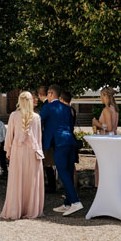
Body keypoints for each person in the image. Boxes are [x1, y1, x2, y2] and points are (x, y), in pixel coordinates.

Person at [0, 92, 44, 219]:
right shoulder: (36, 117)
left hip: (18, 151)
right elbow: (39, 138)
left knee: (17, 180)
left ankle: (16, 209)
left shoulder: (14, 115)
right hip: (32, 151)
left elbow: (9, 136)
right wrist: (39, 152)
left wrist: (8, 150)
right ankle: (30, 209)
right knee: (31, 180)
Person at [39, 85, 82, 215]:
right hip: (70, 141)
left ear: (51, 94)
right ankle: (68, 203)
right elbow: (70, 126)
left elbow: (37, 122)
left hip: (59, 143)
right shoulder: (68, 109)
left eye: (47, 94)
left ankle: (75, 202)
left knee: (63, 172)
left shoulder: (48, 107)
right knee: (68, 171)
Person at [92, 87, 118, 186]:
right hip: (112, 140)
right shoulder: (115, 109)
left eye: (101, 95)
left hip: (106, 141)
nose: (100, 97)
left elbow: (109, 127)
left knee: (100, 166)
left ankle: (101, 187)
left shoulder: (107, 110)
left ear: (104, 95)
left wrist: (96, 123)